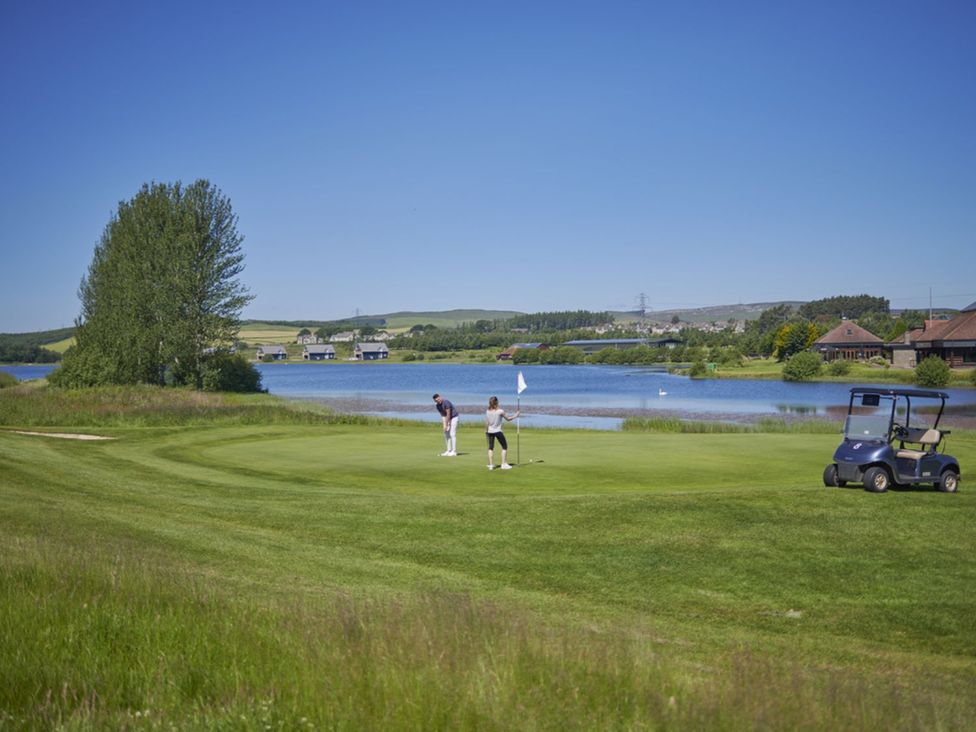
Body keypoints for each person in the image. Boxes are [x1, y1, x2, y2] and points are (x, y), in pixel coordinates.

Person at [485, 395, 520, 470]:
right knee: (504, 446)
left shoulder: (487, 411)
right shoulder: (500, 411)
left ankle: (491, 465)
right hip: (498, 431)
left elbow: (487, 422)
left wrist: (486, 431)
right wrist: (516, 415)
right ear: (496, 402)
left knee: (490, 448)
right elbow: (508, 419)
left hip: (490, 431)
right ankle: (503, 464)